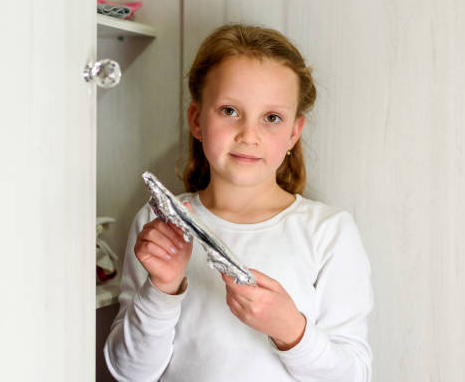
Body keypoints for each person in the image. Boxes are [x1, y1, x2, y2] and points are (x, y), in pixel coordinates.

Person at [104, 24, 374, 382]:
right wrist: (161, 289)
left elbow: (353, 376)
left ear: (294, 132)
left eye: (272, 118)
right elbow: (129, 373)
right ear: (197, 120)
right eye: (230, 111)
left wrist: (291, 330)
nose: (249, 135)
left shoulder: (329, 232)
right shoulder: (159, 226)